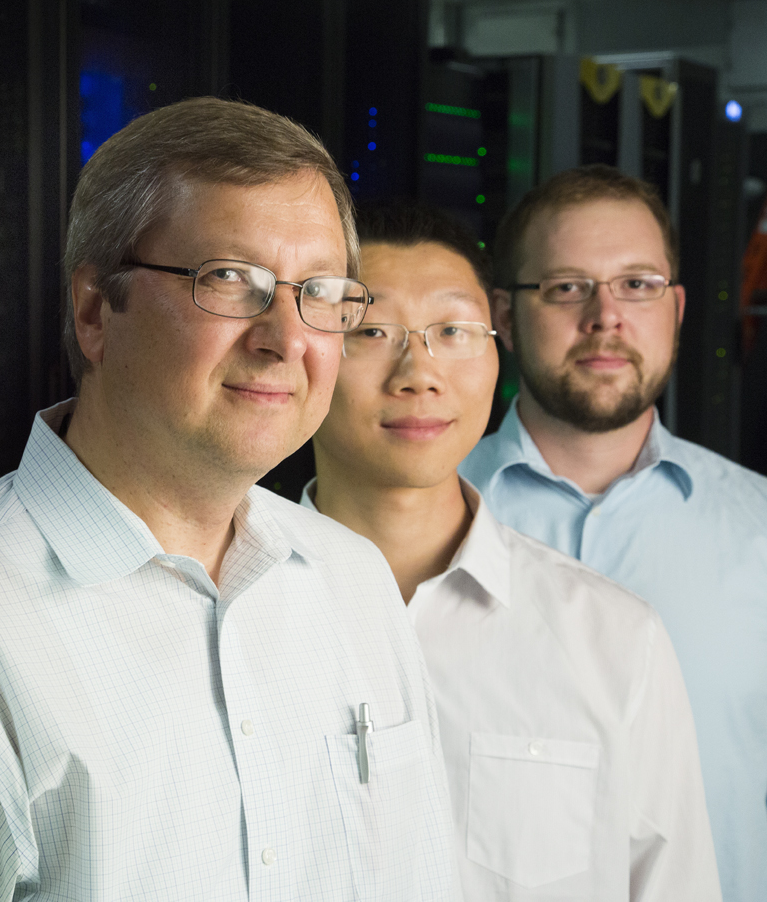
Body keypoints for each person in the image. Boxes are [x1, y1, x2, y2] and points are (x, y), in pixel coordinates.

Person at [0, 99, 459, 901]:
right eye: (230, 281)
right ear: (97, 310)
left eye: (319, 290)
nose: (284, 336)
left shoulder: (352, 579)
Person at [304, 199, 719, 900]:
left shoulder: (616, 637)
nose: (419, 371)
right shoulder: (222, 615)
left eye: (455, 330)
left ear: (500, 352)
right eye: (371, 329)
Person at [460, 165, 767, 902]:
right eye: (567, 286)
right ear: (504, 312)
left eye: (638, 284)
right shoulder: (412, 519)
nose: (606, 316)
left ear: (678, 307)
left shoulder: (759, 529)